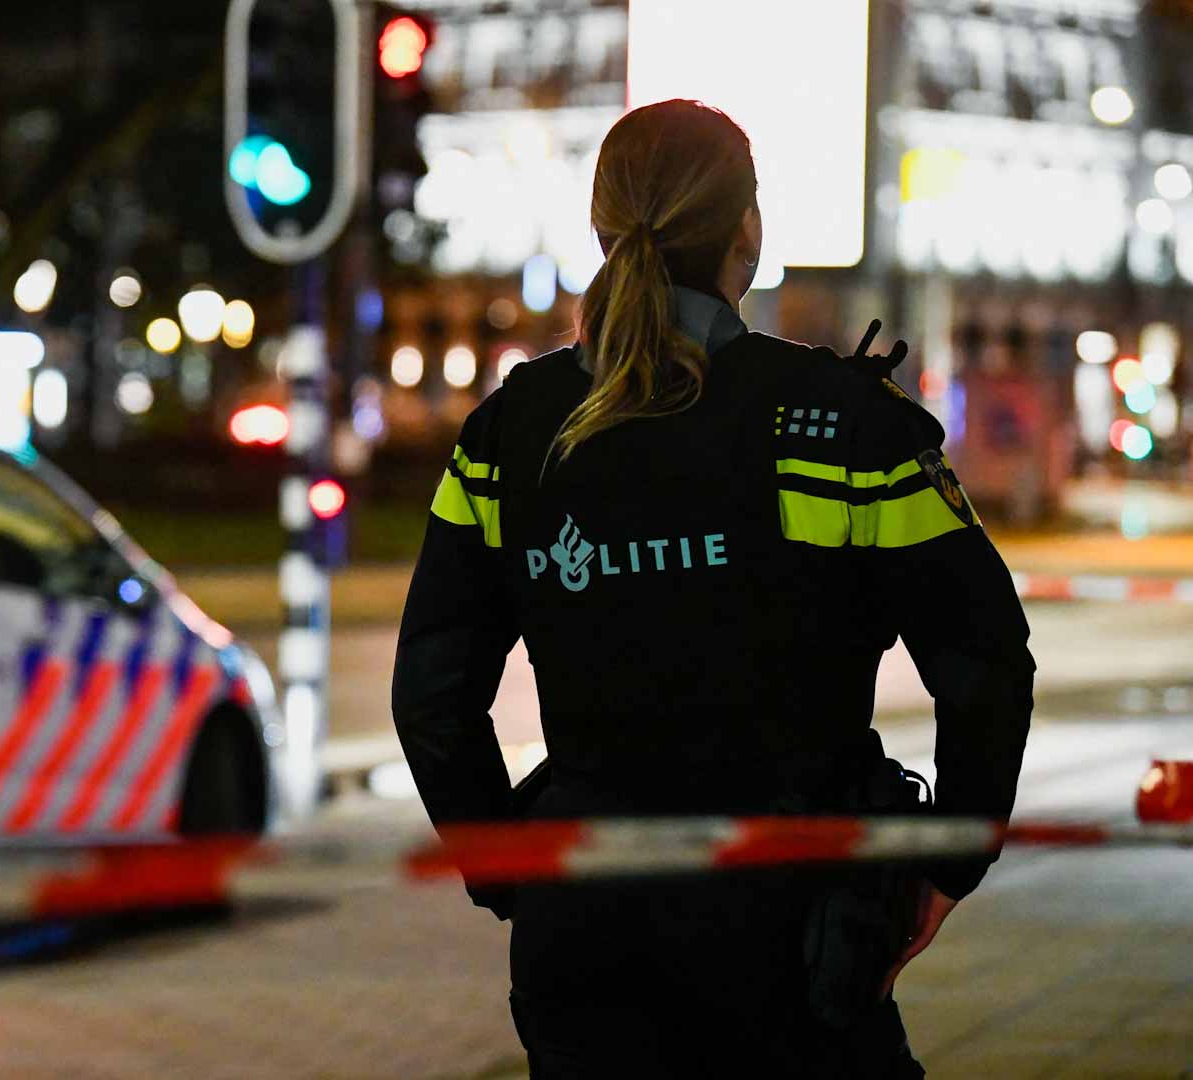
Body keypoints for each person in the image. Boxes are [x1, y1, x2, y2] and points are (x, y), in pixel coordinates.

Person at [390, 99, 1034, 1077]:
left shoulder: (511, 436)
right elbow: (984, 656)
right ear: (749, 231)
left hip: (586, 943)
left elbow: (433, 692)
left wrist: (511, 866)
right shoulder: (841, 428)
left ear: (603, 229)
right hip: (800, 936)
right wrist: (950, 860)